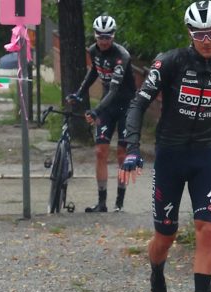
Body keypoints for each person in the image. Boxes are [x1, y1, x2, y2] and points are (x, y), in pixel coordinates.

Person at [123, 1, 211, 292]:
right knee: (166, 235)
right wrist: (132, 148)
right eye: (199, 33)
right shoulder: (170, 62)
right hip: (170, 156)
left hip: (205, 156)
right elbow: (138, 104)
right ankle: (156, 274)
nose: (207, 40)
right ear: (190, 33)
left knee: (207, 229)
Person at [67, 15, 138, 213]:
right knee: (100, 152)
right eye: (101, 37)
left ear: (113, 36)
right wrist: (79, 94)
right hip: (108, 106)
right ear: (95, 36)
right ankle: (102, 202)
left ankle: (119, 202)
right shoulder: (92, 50)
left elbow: (114, 90)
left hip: (126, 105)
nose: (104, 41)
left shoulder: (122, 55)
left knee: (122, 154)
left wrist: (96, 110)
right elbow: (94, 73)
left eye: (108, 37)